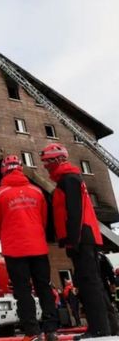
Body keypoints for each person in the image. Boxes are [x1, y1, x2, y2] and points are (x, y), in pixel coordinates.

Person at [40, 143, 110, 338]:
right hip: (84, 237)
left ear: (56, 160)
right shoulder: (69, 178)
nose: (45, 166)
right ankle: (106, 325)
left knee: (88, 282)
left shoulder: (68, 180)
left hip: (81, 237)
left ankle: (99, 328)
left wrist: (73, 240)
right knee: (91, 281)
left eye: (46, 162)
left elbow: (74, 211)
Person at [0, 155, 58, 341]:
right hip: (38, 248)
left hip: (14, 250)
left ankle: (32, 332)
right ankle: (51, 329)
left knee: (22, 290)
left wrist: (8, 237)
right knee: (44, 287)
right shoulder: (36, 191)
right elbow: (43, 220)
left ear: (4, 170)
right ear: (21, 168)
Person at [97, 251, 119, 335]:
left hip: (102, 286)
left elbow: (109, 270)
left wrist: (112, 282)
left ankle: (114, 329)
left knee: (108, 308)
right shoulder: (100, 256)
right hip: (99, 285)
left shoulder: (100, 256)